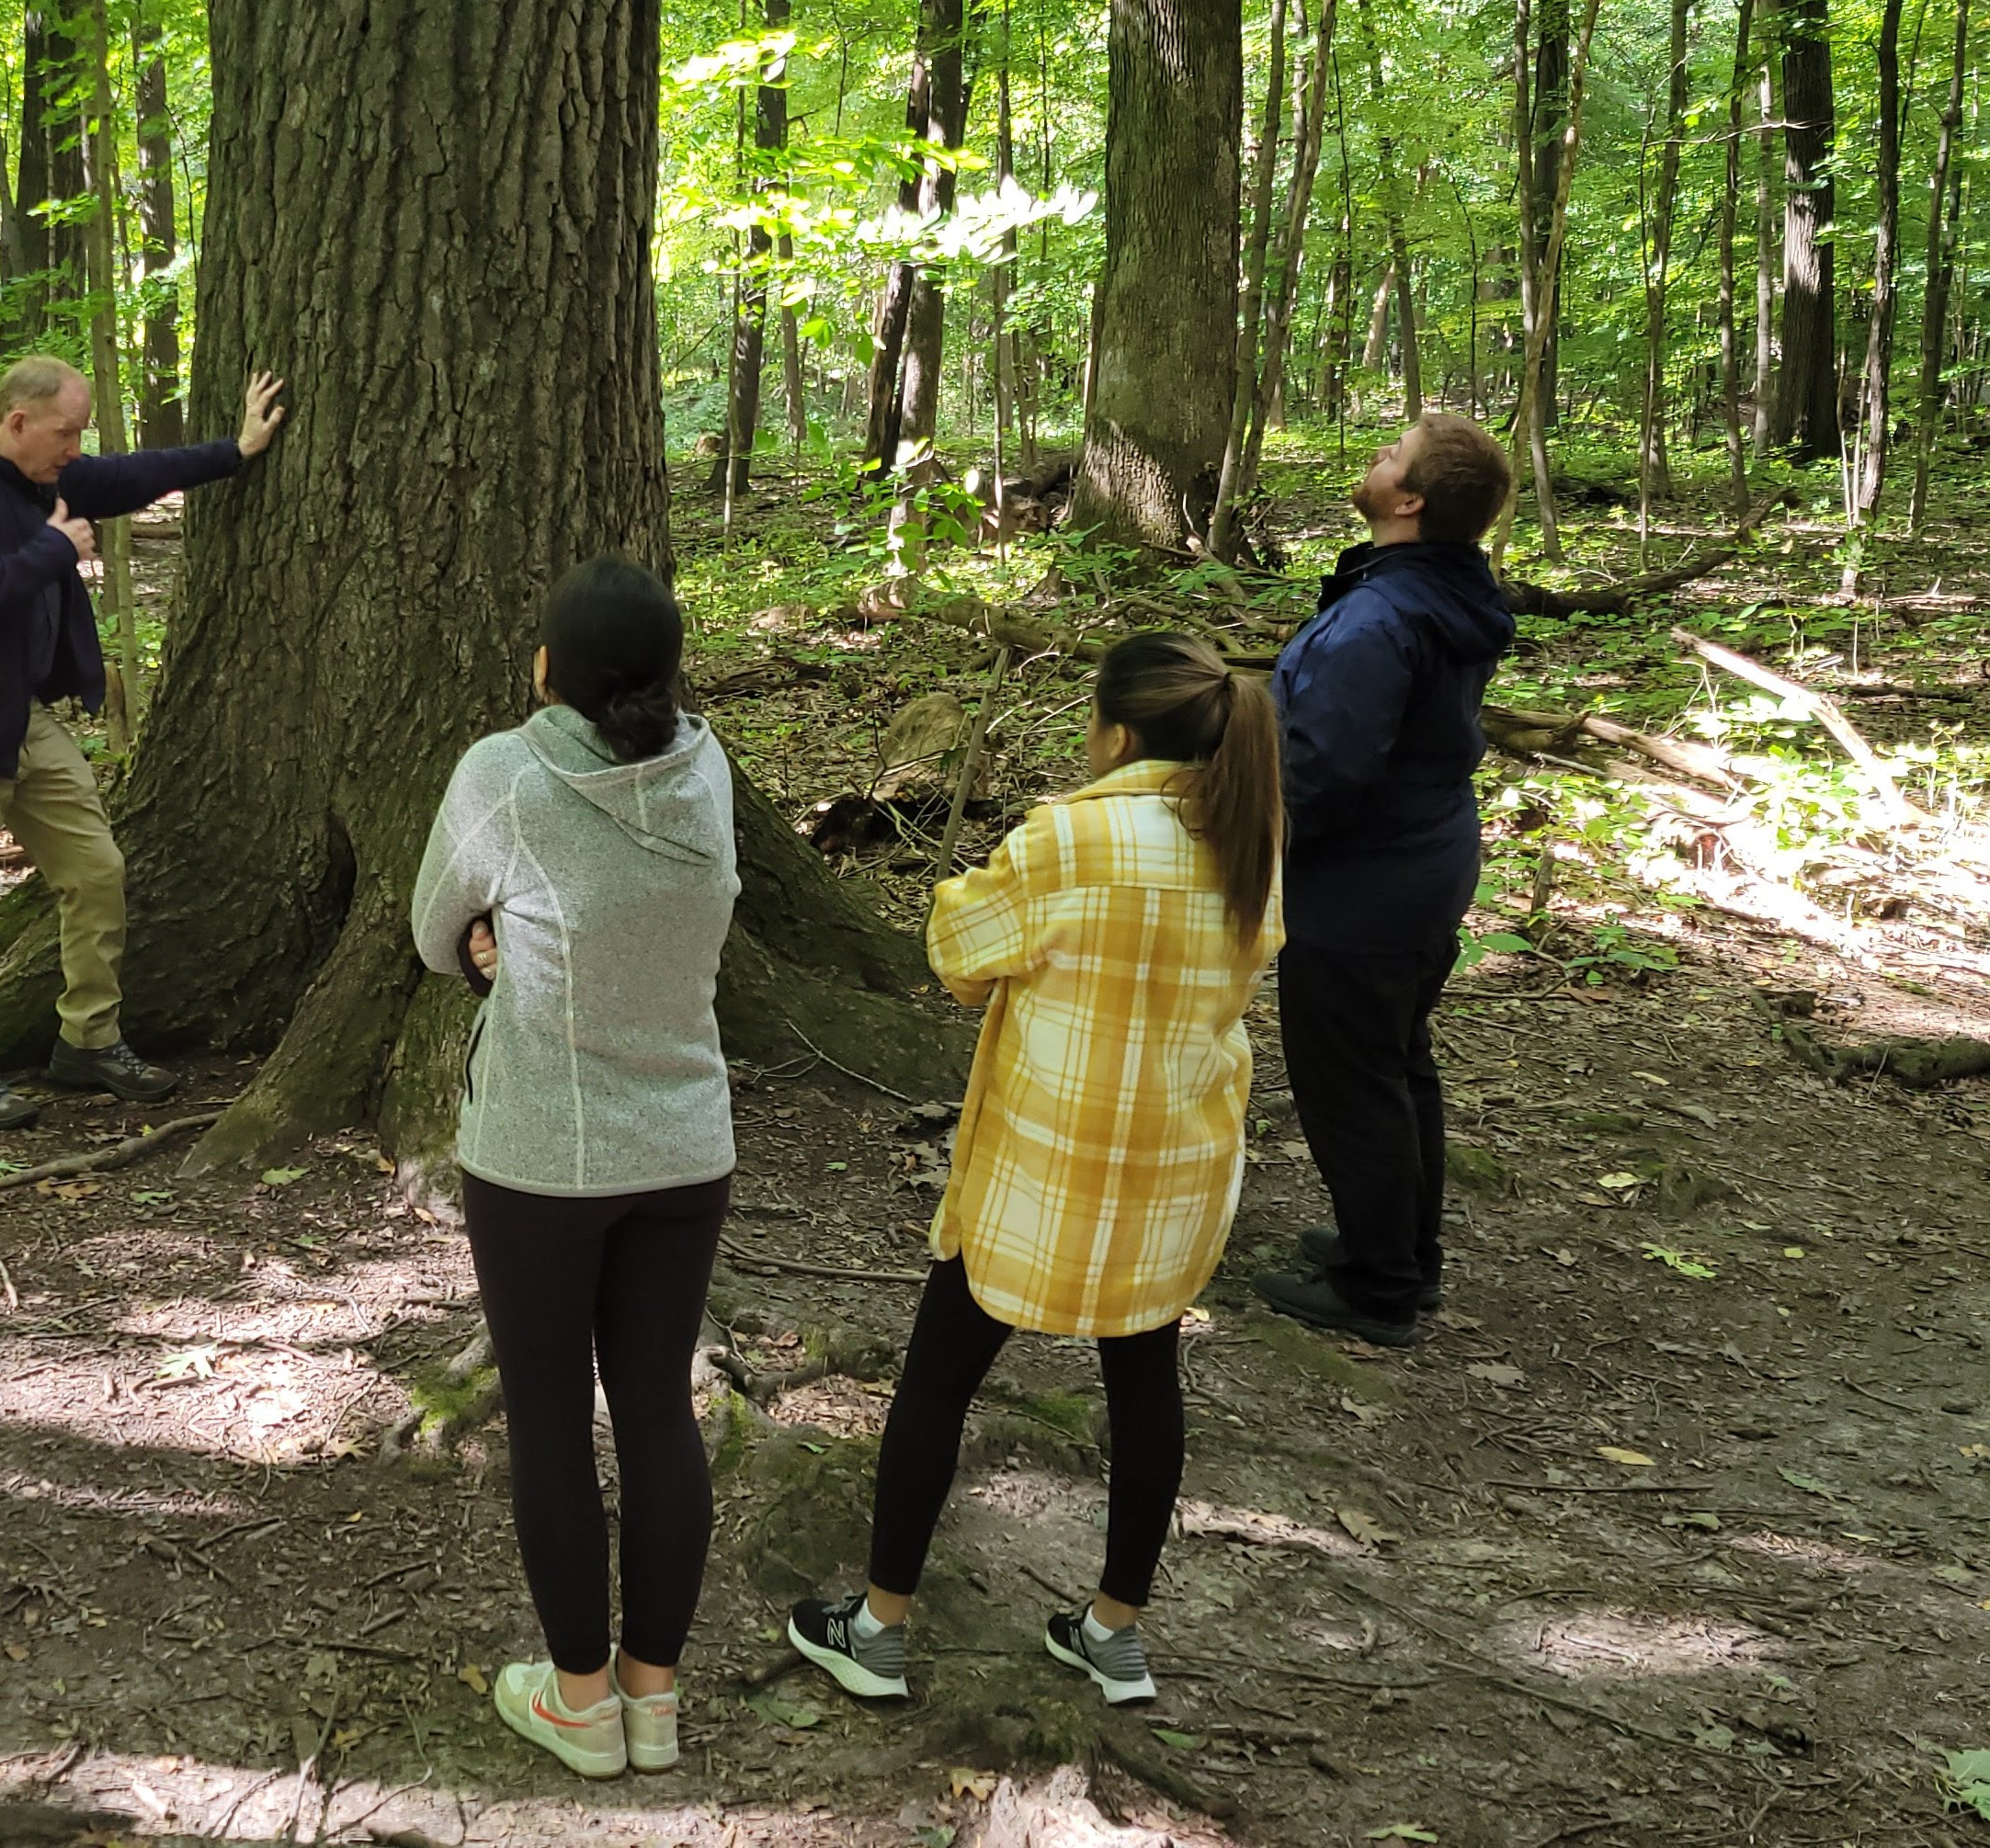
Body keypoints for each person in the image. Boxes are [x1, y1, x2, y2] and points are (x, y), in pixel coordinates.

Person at [789, 632, 1285, 1714]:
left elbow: (960, 957)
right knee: (1146, 1384)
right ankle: (1115, 1633)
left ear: (1111, 731)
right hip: (1172, 1172)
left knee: (937, 1380)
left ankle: (876, 1629)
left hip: (1040, 1170)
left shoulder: (1067, 837)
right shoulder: (1247, 838)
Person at [410, 558, 741, 1781]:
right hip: (685, 1143)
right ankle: (652, 1704)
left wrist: (492, 946)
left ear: (548, 667)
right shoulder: (707, 770)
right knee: (655, 1406)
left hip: (542, 1152)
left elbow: (430, 931)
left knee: (550, 1418)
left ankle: (580, 1703)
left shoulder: (504, 773)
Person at [0, 355, 287, 1128]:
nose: (76, 448)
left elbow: (136, 473)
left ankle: (88, 1039)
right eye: (66, 432)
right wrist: (50, 552)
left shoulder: (47, 477)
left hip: (25, 721)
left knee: (98, 868)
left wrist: (236, 450)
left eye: (80, 434)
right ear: (17, 423)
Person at [1247, 413, 1518, 1348]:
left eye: (1390, 455)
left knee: (1353, 1080)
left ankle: (1381, 1287)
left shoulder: (1381, 616)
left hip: (1366, 884)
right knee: (1397, 1065)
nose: (1373, 458)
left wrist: (1246, 843)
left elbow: (1323, 771)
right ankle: (1404, 1247)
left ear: (1409, 501)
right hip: (1422, 860)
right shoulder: (1438, 589)